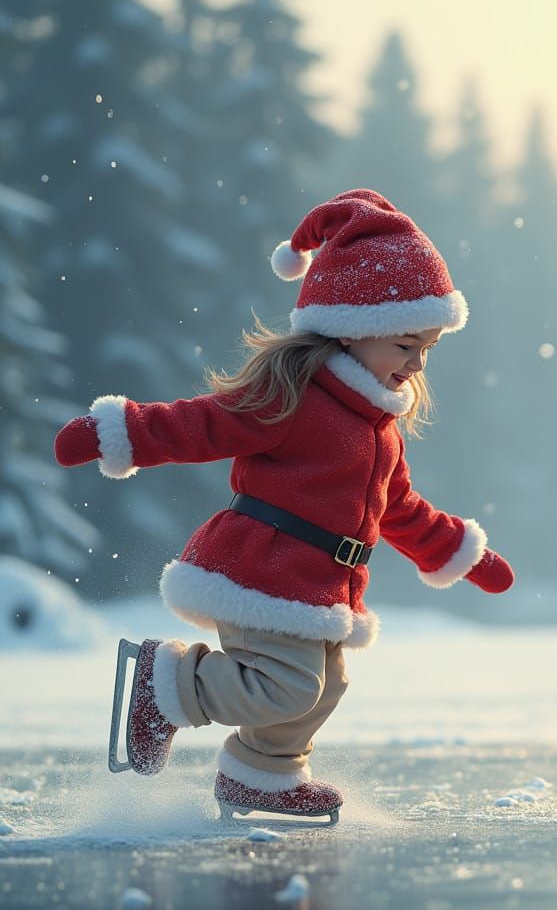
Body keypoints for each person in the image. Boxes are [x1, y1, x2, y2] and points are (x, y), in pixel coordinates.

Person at [54, 189, 514, 822]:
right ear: (355, 329)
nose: (417, 362)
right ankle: (165, 687)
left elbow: (397, 506)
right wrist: (123, 431)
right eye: (407, 344)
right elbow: (205, 424)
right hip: (261, 566)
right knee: (289, 685)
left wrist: (457, 549)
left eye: (427, 348)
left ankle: (261, 777)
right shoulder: (296, 395)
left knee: (327, 687)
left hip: (321, 584)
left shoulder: (380, 426)